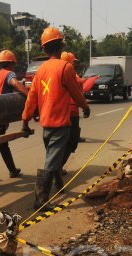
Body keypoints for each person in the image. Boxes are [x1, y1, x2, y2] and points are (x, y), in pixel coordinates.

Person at [22, 27, 90, 210]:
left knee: (53, 157)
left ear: (44, 50)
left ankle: (58, 183)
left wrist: (25, 121)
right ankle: (40, 199)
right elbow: (76, 93)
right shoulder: (65, 68)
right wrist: (85, 106)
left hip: (46, 125)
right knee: (52, 161)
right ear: (61, 47)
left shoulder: (40, 71)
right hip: (61, 124)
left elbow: (31, 99)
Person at [0, 49, 28, 178]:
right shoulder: (9, 74)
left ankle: (13, 170)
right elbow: (15, 83)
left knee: (2, 144)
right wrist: (30, 95)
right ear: (11, 63)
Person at [60, 51, 82, 179]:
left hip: (59, 112)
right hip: (72, 111)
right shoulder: (73, 75)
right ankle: (58, 167)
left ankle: (56, 167)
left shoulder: (55, 72)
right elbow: (78, 90)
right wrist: (85, 106)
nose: (74, 64)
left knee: (60, 142)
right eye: (73, 61)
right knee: (72, 141)